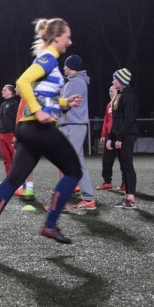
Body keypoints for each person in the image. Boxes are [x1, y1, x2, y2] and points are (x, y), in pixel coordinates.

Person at [0, 18, 84, 254]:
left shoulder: (49, 62)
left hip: (27, 128)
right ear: (57, 38)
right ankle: (51, 223)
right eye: (68, 36)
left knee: (13, 181)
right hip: (38, 127)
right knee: (74, 171)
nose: (70, 41)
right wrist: (37, 110)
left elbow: (43, 95)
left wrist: (65, 102)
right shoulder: (48, 58)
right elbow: (22, 82)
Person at [59, 55, 97, 210]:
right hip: (74, 125)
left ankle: (61, 202)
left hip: (73, 125)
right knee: (78, 163)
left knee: (68, 163)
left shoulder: (75, 82)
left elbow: (64, 104)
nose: (64, 68)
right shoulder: (77, 81)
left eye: (65, 66)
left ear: (71, 67)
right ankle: (89, 199)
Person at [108, 68, 139, 209]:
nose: (113, 81)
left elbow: (128, 119)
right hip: (121, 135)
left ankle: (131, 198)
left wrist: (120, 137)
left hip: (127, 135)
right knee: (124, 166)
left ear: (121, 81)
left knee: (128, 166)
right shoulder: (120, 95)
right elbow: (117, 120)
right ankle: (127, 196)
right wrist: (110, 137)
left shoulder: (129, 95)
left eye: (115, 78)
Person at [96, 85, 124, 191]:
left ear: (117, 91)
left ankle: (124, 184)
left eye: (111, 91)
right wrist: (104, 135)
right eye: (109, 91)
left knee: (123, 161)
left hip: (119, 136)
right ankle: (107, 182)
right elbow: (106, 121)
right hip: (109, 137)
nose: (109, 92)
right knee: (106, 160)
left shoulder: (121, 103)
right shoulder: (109, 105)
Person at [0, 84, 17, 176]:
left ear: (10, 92)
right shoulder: (2, 104)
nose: (2, 91)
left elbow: (17, 120)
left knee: (15, 157)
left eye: (4, 90)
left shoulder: (15, 104)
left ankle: (18, 179)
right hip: (1, 134)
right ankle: (9, 178)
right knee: (6, 157)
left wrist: (16, 135)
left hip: (11, 133)